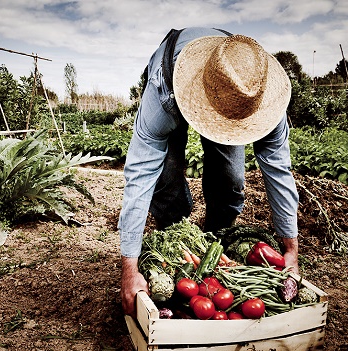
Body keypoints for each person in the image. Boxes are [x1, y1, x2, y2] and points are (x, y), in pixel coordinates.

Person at [118, 27, 299, 316]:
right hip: (174, 81)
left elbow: (279, 170)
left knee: (231, 180)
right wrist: (129, 268)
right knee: (166, 181)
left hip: (230, 93)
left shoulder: (258, 96)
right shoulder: (162, 94)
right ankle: (175, 247)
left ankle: (213, 243)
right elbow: (140, 174)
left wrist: (291, 248)